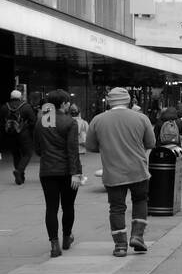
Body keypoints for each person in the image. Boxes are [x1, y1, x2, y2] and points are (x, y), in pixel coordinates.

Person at [85, 87, 155, 257]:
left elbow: (91, 146)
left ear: (109, 102)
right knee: (140, 201)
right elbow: (151, 142)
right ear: (128, 100)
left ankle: (120, 246)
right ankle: (137, 236)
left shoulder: (97, 120)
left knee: (116, 208)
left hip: (113, 172)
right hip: (138, 169)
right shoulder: (141, 117)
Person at [33, 90, 83, 258]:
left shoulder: (42, 121)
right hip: (67, 172)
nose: (69, 104)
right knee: (68, 206)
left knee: (51, 208)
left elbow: (38, 148)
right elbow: (72, 151)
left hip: (47, 171)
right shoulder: (70, 122)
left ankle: (54, 245)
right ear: (62, 104)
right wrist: (76, 173)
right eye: (68, 102)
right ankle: (67, 238)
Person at [1, 89, 37, 184]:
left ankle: (20, 178)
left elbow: (1, 122)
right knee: (27, 153)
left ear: (11, 97)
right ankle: (19, 171)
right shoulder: (26, 107)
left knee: (16, 154)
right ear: (20, 97)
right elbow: (33, 121)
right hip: (24, 134)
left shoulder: (4, 107)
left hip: (10, 135)